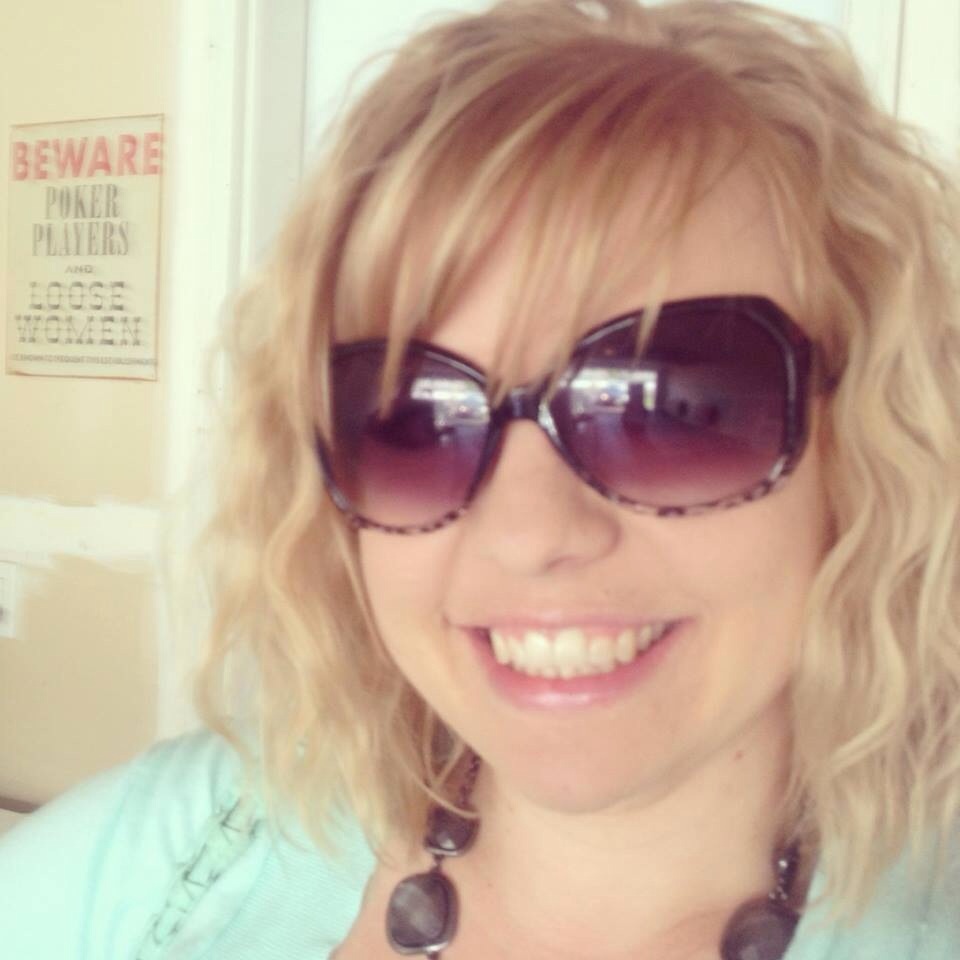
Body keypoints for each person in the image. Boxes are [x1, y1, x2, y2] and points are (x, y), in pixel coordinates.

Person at [2, 0, 959, 957]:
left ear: (867, 442)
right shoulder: (178, 854)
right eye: (413, 418)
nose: (528, 533)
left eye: (666, 406)